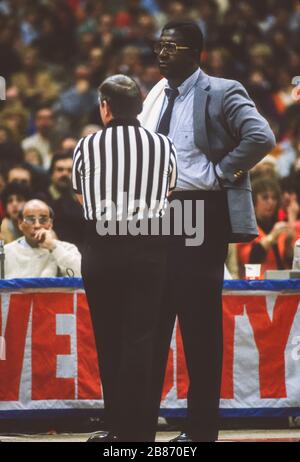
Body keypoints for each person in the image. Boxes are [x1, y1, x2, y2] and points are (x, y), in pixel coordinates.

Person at [140, 20, 276, 442]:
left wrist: (221, 173)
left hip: (200, 211)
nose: (162, 53)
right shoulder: (154, 94)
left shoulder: (221, 89)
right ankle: (137, 428)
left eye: (173, 47)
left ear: (196, 53)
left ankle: (200, 432)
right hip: (157, 213)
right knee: (152, 323)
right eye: (160, 46)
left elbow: (261, 135)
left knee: (198, 327)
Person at [72, 74, 177, 442]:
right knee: (143, 338)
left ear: (105, 107)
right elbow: (168, 192)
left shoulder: (86, 146)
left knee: (109, 337)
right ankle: (142, 430)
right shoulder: (164, 146)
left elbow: (82, 196)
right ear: (139, 106)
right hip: (150, 248)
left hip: (102, 247)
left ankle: (118, 428)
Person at [4, 199, 81, 278]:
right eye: (30, 220)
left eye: (43, 220)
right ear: (20, 223)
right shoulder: (5, 253)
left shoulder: (67, 249)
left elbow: (81, 277)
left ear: (50, 224)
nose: (37, 225)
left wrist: (54, 247)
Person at [237, 178, 294, 278]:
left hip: (282, 284)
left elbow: (290, 264)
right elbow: (249, 260)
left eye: (274, 198)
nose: (271, 202)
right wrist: (271, 237)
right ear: (254, 200)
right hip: (256, 286)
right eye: (265, 198)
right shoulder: (246, 228)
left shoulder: (280, 225)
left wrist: (289, 245)